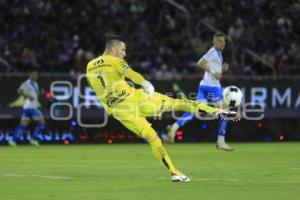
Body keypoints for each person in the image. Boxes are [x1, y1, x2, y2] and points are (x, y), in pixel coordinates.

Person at [86, 35, 236, 182]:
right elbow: (131, 74)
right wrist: (146, 84)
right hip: (137, 99)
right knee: (178, 103)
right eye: (123, 50)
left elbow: (97, 89)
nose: (124, 54)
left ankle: (174, 173)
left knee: (152, 137)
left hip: (120, 112)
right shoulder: (115, 60)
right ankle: (218, 112)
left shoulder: (90, 66)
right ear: (113, 50)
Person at [166, 32, 234, 151]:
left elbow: (213, 70)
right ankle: (221, 141)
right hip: (212, 87)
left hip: (204, 85)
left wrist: (221, 69)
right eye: (220, 41)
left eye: (224, 41)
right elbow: (200, 63)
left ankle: (174, 127)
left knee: (196, 110)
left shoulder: (218, 53)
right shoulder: (212, 51)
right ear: (214, 41)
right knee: (224, 111)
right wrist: (214, 72)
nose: (222, 44)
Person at [8, 70, 46, 147]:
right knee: (42, 122)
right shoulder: (27, 83)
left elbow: (35, 95)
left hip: (28, 107)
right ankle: (33, 139)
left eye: (36, 75)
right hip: (30, 107)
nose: (35, 76)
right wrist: (28, 96)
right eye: (34, 75)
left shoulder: (35, 84)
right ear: (30, 75)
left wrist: (40, 93)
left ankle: (13, 141)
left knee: (23, 125)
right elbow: (19, 91)